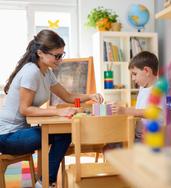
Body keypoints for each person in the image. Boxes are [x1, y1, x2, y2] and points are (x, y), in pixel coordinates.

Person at [0, 29, 103, 187]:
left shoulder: (46, 72)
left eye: (62, 54)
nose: (60, 60)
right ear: (40, 53)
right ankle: (47, 181)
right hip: (7, 136)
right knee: (63, 133)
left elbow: (67, 96)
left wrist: (90, 96)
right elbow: (25, 109)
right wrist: (58, 111)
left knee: (63, 133)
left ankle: (45, 180)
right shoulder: (31, 72)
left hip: (19, 132)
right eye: (57, 56)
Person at [111, 51, 159, 142]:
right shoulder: (143, 88)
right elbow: (139, 109)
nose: (133, 79)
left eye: (134, 74)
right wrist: (123, 110)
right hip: (137, 135)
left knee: (111, 148)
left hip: (148, 139)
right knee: (109, 146)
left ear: (146, 71)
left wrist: (125, 110)